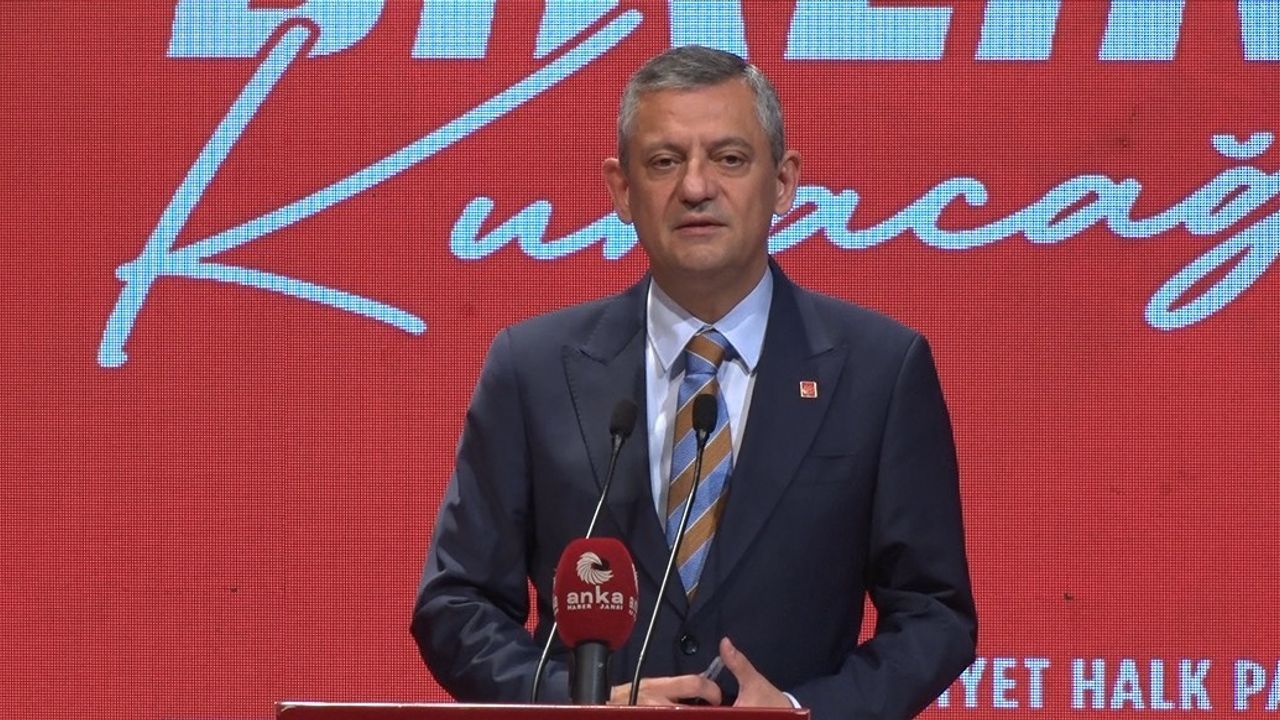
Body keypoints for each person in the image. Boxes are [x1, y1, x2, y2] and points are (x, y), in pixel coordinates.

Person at [412, 45, 977, 719]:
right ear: (622, 190)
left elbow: (934, 614)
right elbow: (456, 603)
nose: (696, 187)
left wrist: (805, 710)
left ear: (784, 182)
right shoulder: (533, 369)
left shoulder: (880, 370)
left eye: (730, 159)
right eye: (664, 162)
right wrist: (581, 705)